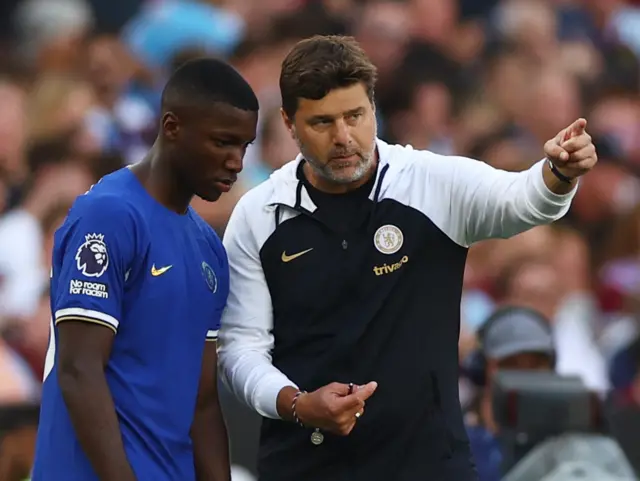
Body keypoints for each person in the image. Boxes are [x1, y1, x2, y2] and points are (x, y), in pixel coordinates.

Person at [218, 35, 598, 481]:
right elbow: (239, 346)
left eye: (355, 116)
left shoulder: (429, 183)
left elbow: (523, 200)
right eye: (321, 123)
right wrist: (297, 404)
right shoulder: (258, 214)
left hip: (428, 464)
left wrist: (558, 173)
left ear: (373, 108)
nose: (343, 138)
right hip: (303, 463)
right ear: (288, 122)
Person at [31, 58, 259, 481]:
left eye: (244, 146)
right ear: (172, 127)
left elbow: (203, 402)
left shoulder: (208, 247)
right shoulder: (109, 215)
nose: (236, 162)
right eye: (223, 142)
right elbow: (79, 370)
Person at [463, 306, 557, 481]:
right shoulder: (455, 438)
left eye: (535, 365)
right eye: (510, 364)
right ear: (482, 369)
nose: (523, 375)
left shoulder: (567, 437)